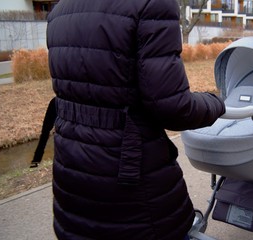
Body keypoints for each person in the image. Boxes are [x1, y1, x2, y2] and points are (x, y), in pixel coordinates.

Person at [45, 0, 225, 239]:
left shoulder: (60, 9)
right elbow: (172, 106)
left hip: (72, 167)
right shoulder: (152, 4)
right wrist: (216, 103)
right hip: (128, 176)